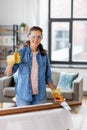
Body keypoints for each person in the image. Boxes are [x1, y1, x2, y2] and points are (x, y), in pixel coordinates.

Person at [5, 26, 63, 107]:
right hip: (23, 96)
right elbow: (8, 73)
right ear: (28, 37)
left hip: (40, 96)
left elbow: (48, 79)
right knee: (24, 119)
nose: (36, 39)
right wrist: (10, 63)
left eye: (39, 37)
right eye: (33, 36)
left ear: (41, 38)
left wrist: (57, 95)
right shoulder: (20, 53)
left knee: (38, 119)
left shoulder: (44, 55)